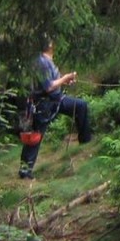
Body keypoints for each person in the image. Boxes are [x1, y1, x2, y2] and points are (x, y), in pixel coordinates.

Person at [19, 36, 93, 179]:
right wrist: (64, 79)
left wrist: (65, 81)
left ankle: (85, 143)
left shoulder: (47, 60)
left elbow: (54, 82)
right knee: (35, 137)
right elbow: (48, 87)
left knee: (81, 106)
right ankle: (25, 171)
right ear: (49, 45)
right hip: (43, 103)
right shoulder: (41, 62)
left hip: (57, 99)